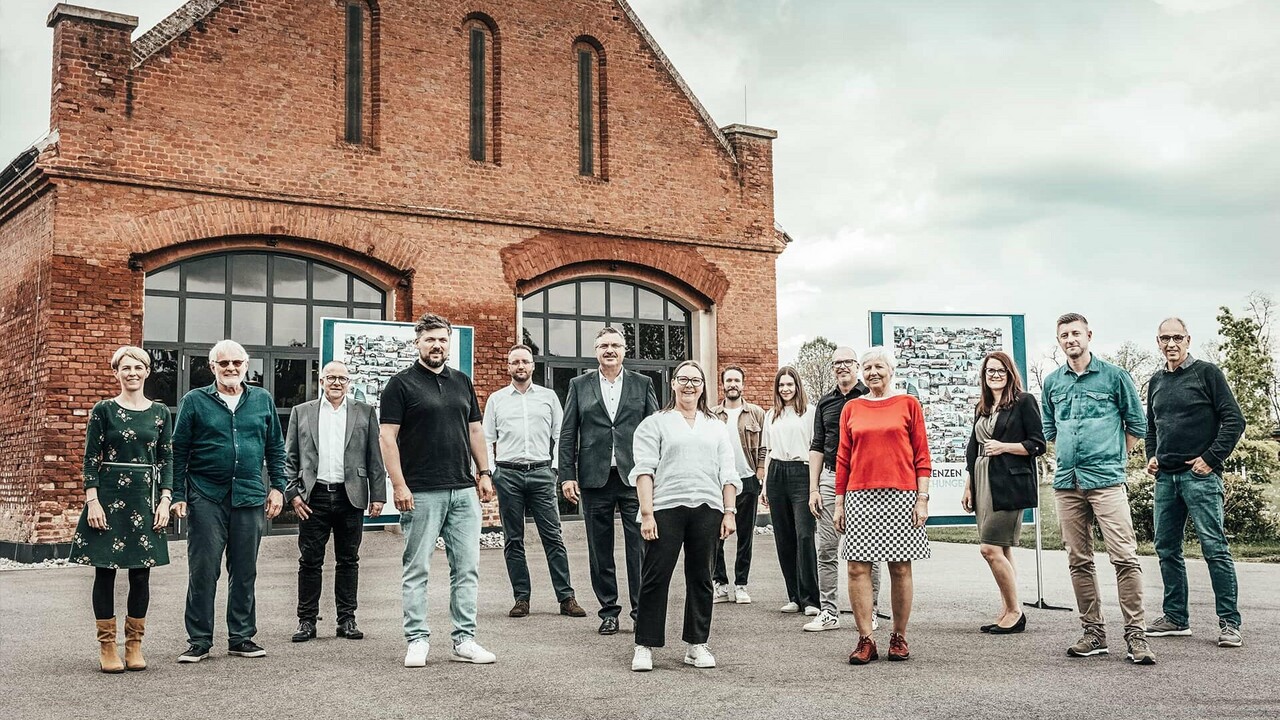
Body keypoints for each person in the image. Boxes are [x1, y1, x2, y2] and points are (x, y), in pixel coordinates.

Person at [380, 313, 497, 667]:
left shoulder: (462, 381)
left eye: (442, 339)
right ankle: (417, 639)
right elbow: (387, 438)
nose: (437, 345)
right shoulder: (400, 385)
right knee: (417, 569)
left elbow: (475, 431)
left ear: (449, 343)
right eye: (430, 339)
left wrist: (485, 473)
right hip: (421, 492)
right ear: (417, 343)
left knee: (467, 568)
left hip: (463, 490)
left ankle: (464, 640)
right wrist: (399, 484)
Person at [1042, 313, 1154, 665]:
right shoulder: (1052, 383)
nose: (1070, 339)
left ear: (1089, 335)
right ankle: (1094, 633)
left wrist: (1112, 457)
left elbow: (1136, 424)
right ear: (1059, 341)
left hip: (1106, 482)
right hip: (1067, 483)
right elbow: (1050, 428)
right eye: (1064, 335)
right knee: (1079, 560)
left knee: (1125, 557)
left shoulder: (1115, 377)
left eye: (1076, 333)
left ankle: (1136, 635)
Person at [170, 340, 286, 663]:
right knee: (203, 570)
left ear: (246, 365)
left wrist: (278, 487)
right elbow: (178, 452)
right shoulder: (194, 402)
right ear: (212, 368)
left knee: (245, 569)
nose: (231, 368)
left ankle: (241, 637)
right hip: (206, 495)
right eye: (224, 364)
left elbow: (275, 448)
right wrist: (177, 495)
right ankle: (199, 640)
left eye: (237, 362)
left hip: (249, 495)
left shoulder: (261, 400)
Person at [628, 361, 741, 671]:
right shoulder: (656, 423)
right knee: (655, 577)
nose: (689, 385)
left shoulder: (715, 426)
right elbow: (644, 470)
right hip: (666, 508)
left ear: (703, 386)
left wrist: (729, 512)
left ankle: (697, 644)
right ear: (673, 384)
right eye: (683, 379)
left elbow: (728, 473)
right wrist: (647, 513)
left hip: (708, 509)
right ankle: (645, 645)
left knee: (702, 578)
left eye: (696, 380)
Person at [1143, 317, 1246, 648]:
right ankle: (1175, 617)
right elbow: (1152, 427)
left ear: (1188, 339)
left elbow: (1234, 419)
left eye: (1177, 337)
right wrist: (1152, 455)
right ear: (1157, 342)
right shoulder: (1156, 381)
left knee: (1214, 548)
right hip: (1166, 479)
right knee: (1166, 548)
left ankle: (1230, 623)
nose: (1171, 343)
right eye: (1164, 338)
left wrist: (1211, 458)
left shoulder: (1207, 373)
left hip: (1199, 477)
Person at [71, 346, 173, 673]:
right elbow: (89, 460)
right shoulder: (103, 410)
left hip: (145, 498)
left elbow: (167, 459)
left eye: (138, 367)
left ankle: (134, 645)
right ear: (116, 373)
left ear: (146, 372)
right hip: (108, 496)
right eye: (125, 368)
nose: (131, 373)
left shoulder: (160, 413)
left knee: (140, 574)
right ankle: (107, 647)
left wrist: (166, 500)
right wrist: (92, 501)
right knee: (105, 571)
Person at [559, 327, 659, 635]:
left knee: (639, 548)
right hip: (594, 478)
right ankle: (609, 611)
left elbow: (656, 430)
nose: (610, 350)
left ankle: (641, 610)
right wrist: (567, 475)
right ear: (596, 351)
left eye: (615, 344)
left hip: (633, 478)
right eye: (604, 345)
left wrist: (657, 473)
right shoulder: (579, 385)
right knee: (599, 549)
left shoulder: (643, 384)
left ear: (625, 350)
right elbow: (567, 433)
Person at [834, 347, 931, 665]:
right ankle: (866, 640)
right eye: (867, 367)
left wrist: (922, 498)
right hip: (859, 496)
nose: (873, 372)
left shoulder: (908, 404)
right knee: (856, 567)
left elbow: (922, 456)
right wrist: (839, 504)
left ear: (891, 370)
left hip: (902, 496)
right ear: (861, 372)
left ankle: (899, 637)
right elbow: (843, 459)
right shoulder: (852, 408)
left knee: (900, 567)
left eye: (879, 366)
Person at [284, 360, 387, 643]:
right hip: (312, 496)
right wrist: (292, 494)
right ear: (321, 380)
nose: (337, 383)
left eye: (342, 378)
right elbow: (289, 458)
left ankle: (347, 619)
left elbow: (374, 457)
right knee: (309, 561)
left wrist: (378, 495)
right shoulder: (301, 412)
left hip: (350, 495)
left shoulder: (364, 413)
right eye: (331, 378)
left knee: (348, 560)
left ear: (349, 382)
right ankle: (306, 621)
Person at [483, 344, 586, 619]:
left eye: (525, 362)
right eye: (515, 362)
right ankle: (521, 598)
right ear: (508, 367)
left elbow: (561, 435)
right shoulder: (496, 399)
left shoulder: (548, 397)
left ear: (532, 366)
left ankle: (566, 597)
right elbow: (486, 438)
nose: (520, 366)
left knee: (553, 537)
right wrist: (491, 472)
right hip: (508, 475)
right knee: (513, 539)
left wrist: (554, 469)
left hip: (541, 473)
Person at [961, 351, 1045, 634]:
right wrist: (969, 484)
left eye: (1000, 371)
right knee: (1003, 549)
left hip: (1009, 482)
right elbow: (973, 448)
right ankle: (1008, 607)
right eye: (989, 371)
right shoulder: (982, 406)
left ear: (1010, 373)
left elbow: (1037, 444)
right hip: (983, 478)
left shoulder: (1024, 401)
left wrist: (1004, 447)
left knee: (989, 548)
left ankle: (1015, 612)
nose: (995, 375)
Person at [804, 346, 875, 633]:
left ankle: (870, 613)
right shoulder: (825, 403)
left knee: (869, 550)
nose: (842, 366)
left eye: (847, 362)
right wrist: (814, 488)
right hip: (831, 479)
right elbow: (817, 446)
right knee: (827, 549)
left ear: (857, 366)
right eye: (837, 363)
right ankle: (829, 611)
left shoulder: (869, 397)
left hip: (864, 480)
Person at [763, 366, 818, 616]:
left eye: (789, 384)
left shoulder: (809, 412)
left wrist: (814, 485)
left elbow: (815, 449)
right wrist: (764, 486)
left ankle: (811, 600)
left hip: (801, 472)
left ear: (797, 386)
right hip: (776, 474)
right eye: (781, 385)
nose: (785, 389)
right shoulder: (771, 415)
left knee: (804, 535)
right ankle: (794, 596)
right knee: (783, 537)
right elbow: (768, 451)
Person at [709, 365, 766, 606]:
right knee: (715, 536)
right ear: (723, 384)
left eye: (737, 380)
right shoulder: (712, 414)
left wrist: (760, 471)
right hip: (720, 481)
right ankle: (720, 584)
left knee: (745, 537)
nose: (733, 384)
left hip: (747, 479)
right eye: (729, 380)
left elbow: (763, 445)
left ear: (743, 384)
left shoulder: (756, 413)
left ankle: (741, 584)